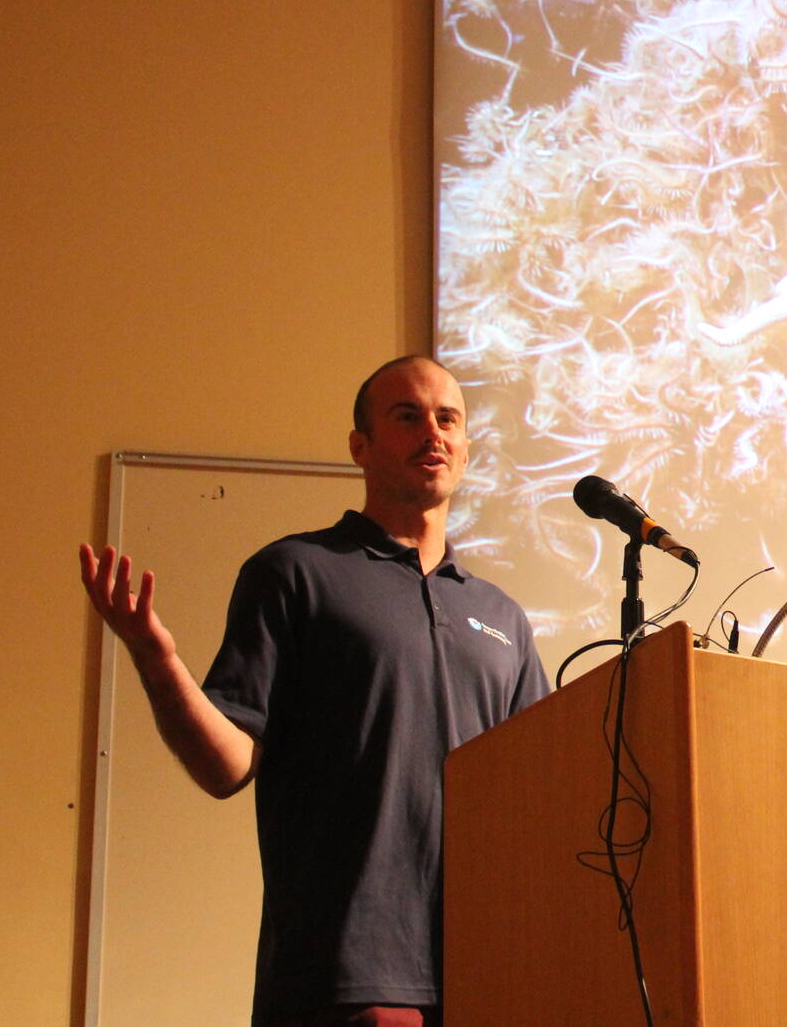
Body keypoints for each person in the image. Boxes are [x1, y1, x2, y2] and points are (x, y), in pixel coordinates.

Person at [80, 356, 549, 1027]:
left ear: (468, 448)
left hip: (489, 974)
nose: (434, 432)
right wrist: (158, 659)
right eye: (407, 415)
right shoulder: (296, 573)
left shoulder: (503, 617)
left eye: (449, 418)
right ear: (359, 445)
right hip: (345, 980)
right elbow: (225, 764)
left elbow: (540, 799)